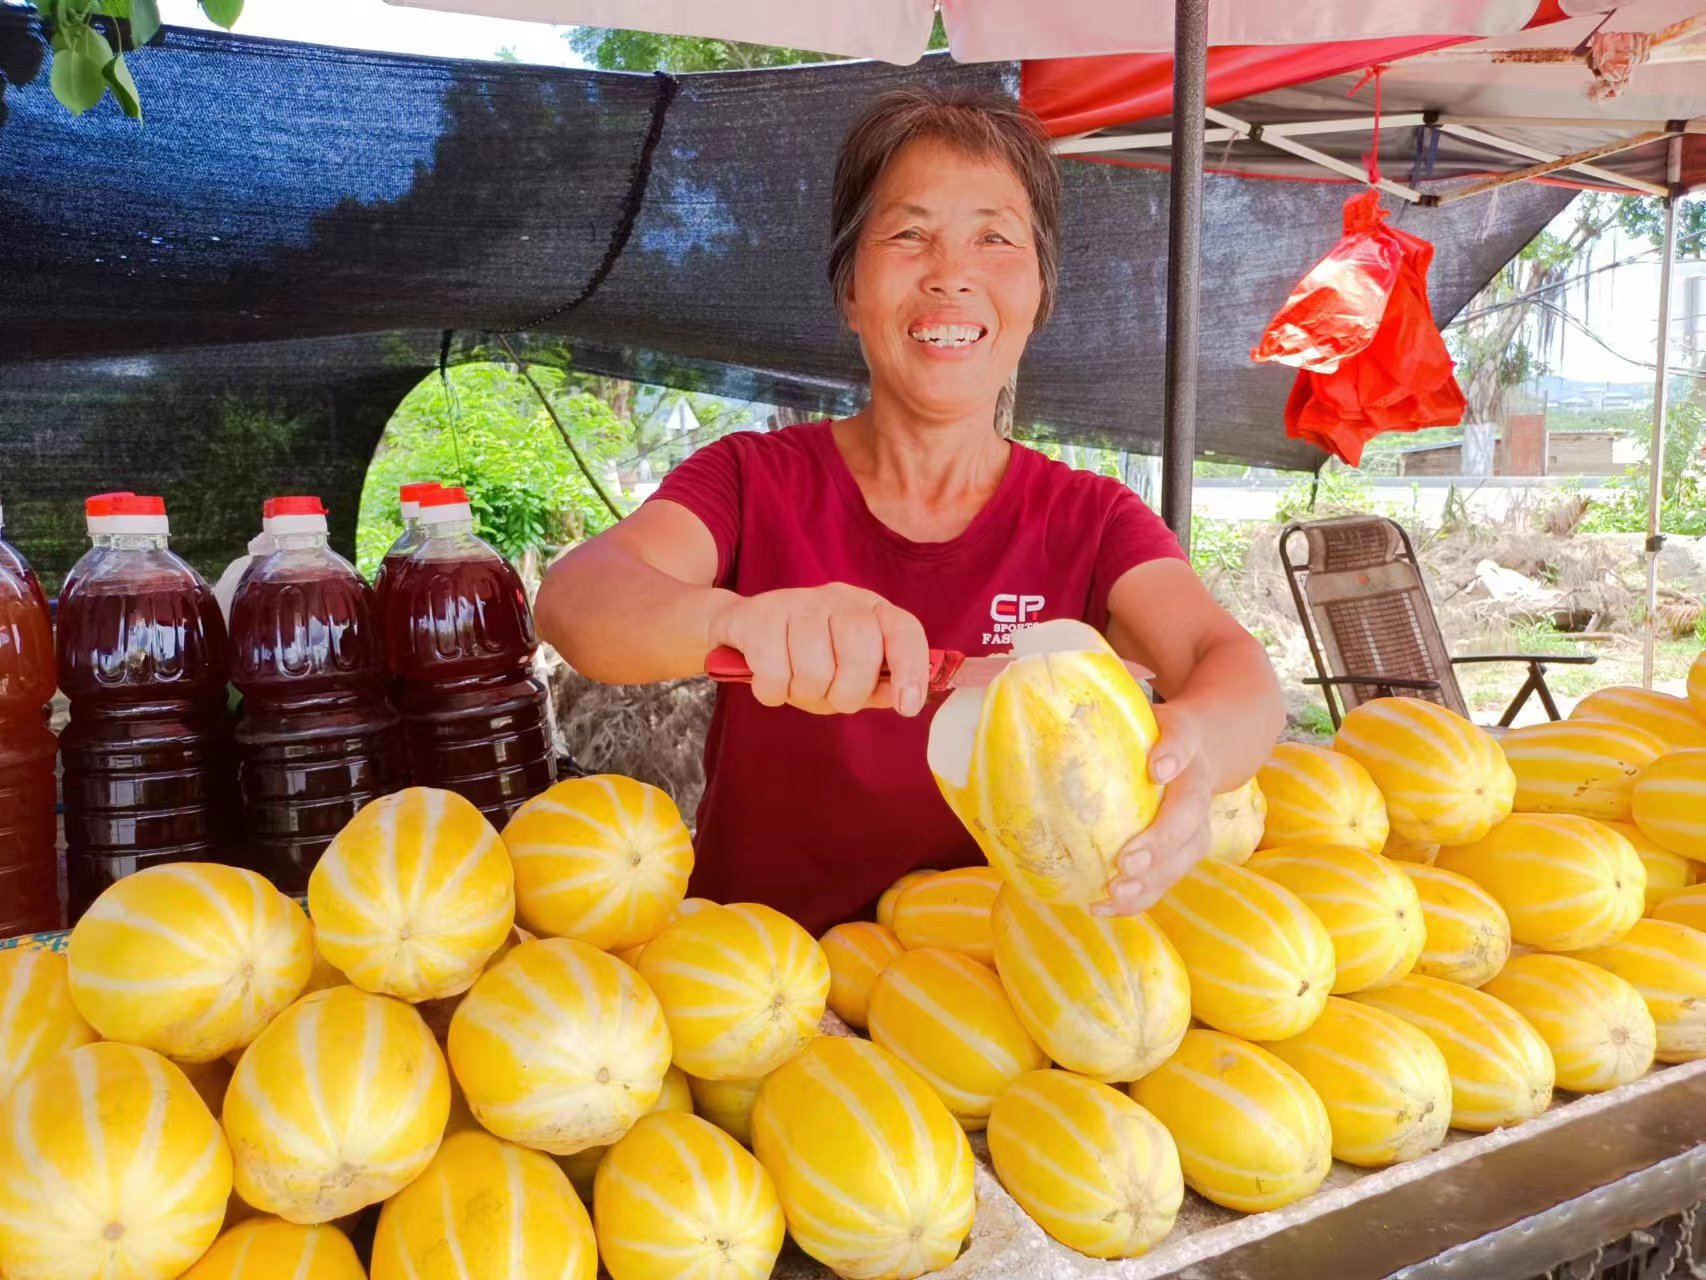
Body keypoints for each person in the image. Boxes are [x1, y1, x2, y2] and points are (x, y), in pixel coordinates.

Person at [537, 89, 1284, 935]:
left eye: (995, 238)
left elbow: (1233, 670)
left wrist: (1191, 749)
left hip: (995, 1003)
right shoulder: (753, 479)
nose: (950, 272)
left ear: (1039, 294)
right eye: (908, 234)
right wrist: (741, 621)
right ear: (851, 290)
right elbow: (577, 600)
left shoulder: (1091, 518)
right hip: (760, 985)